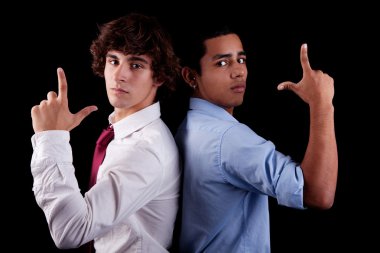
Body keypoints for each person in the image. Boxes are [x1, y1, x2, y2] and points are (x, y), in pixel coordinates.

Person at [174, 23, 338, 253]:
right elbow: (318, 194)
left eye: (241, 60)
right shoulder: (228, 138)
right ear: (191, 76)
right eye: (222, 63)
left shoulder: (189, 126)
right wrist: (321, 103)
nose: (239, 71)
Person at [30, 13, 181, 252]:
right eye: (113, 60)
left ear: (159, 76)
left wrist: (51, 137)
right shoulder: (123, 131)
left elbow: (71, 231)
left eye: (135, 65)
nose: (119, 75)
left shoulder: (144, 149)